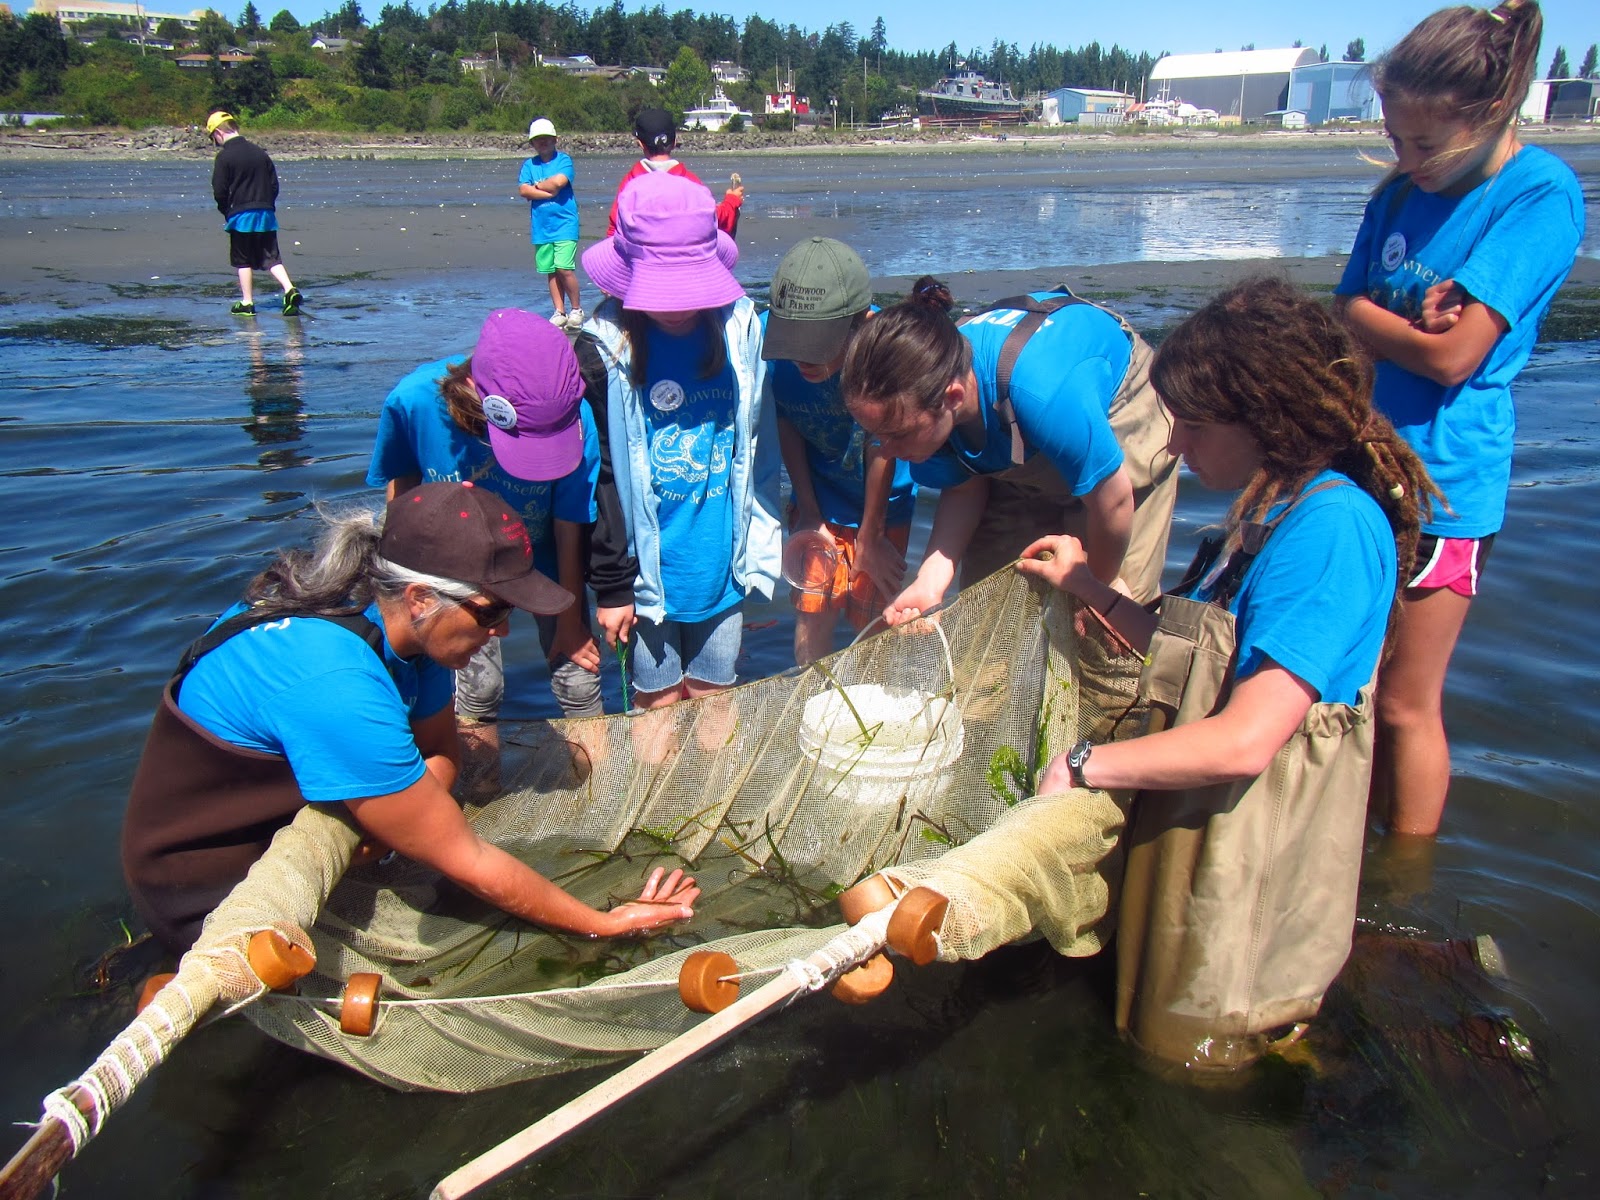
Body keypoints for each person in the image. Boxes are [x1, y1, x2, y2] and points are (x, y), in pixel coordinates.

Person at [1019, 277, 1441, 1072]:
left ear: (1266, 419)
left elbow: (1249, 738)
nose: (1173, 447)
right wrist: (1087, 585)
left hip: (1248, 884)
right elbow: (1202, 659)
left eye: (1193, 426)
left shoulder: (1329, 534)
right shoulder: (1266, 511)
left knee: (1194, 1065)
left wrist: (1084, 765)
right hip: (1197, 844)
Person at [121, 482, 698, 955]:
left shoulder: (399, 624)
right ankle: (163, 978)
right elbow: (465, 856)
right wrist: (607, 923)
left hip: (295, 825)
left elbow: (439, 753)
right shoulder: (338, 683)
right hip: (206, 886)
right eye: (492, 610)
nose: (502, 632)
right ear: (422, 598)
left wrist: (397, 827)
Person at [1333, 0, 1583, 837]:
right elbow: (1343, 312)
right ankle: (1342, 846)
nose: (1405, 160)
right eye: (1395, 139)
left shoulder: (1537, 194)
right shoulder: (1401, 192)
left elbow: (1453, 358)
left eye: (1424, 144)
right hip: (1360, 462)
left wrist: (1385, 323)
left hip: (1449, 483)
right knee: (1349, 680)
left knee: (1405, 701)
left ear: (1490, 114)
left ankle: (1403, 883)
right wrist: (1403, 323)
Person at [839, 277, 1177, 625]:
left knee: (1108, 622)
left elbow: (1115, 501)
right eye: (877, 437)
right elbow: (964, 485)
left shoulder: (1043, 394)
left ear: (952, 398)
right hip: (1013, 428)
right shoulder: (922, 399)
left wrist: (1095, 589)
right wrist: (929, 582)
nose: (890, 452)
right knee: (988, 612)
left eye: (897, 436)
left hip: (1116, 410)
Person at [578, 171, 781, 712]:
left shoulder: (738, 325)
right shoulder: (603, 349)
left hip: (722, 571)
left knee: (716, 706)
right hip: (646, 584)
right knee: (657, 713)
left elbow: (759, 447)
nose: (676, 303)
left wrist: (766, 550)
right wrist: (614, 587)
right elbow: (599, 478)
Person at [367, 308, 605, 763]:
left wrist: (572, 620)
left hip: (544, 567)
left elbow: (570, 521)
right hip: (457, 580)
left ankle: (594, 796)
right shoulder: (414, 402)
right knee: (479, 686)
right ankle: (481, 790)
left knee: (578, 675)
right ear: (477, 394)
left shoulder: (576, 419)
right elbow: (400, 501)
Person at [762, 236, 915, 664]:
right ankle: (813, 700)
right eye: (795, 342)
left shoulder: (885, 350)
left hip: (883, 505)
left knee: (875, 621)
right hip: (819, 499)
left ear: (861, 323)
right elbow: (787, 419)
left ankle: (872, 706)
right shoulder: (779, 354)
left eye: (817, 345)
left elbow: (881, 441)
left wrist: (870, 534)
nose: (803, 360)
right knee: (813, 614)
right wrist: (809, 509)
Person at [207, 110, 302, 318]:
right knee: (271, 257)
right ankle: (289, 289)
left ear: (218, 134)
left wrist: (227, 211)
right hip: (266, 212)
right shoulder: (260, 153)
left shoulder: (224, 157)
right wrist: (268, 204)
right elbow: (274, 185)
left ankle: (247, 302)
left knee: (242, 260)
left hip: (241, 214)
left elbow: (219, 190)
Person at [607, 107, 743, 239]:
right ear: (675, 141)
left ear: (641, 144)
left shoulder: (630, 182)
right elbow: (712, 219)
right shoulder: (689, 181)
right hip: (683, 257)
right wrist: (731, 201)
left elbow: (615, 227)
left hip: (640, 258)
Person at [518, 118, 583, 330]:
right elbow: (523, 190)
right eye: (538, 139)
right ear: (532, 143)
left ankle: (576, 309)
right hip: (542, 227)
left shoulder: (564, 160)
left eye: (546, 138)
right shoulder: (529, 165)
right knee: (551, 270)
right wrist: (547, 191)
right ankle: (559, 311)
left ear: (555, 139)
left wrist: (538, 187)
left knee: (565, 268)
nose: (542, 142)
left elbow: (559, 182)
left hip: (565, 224)